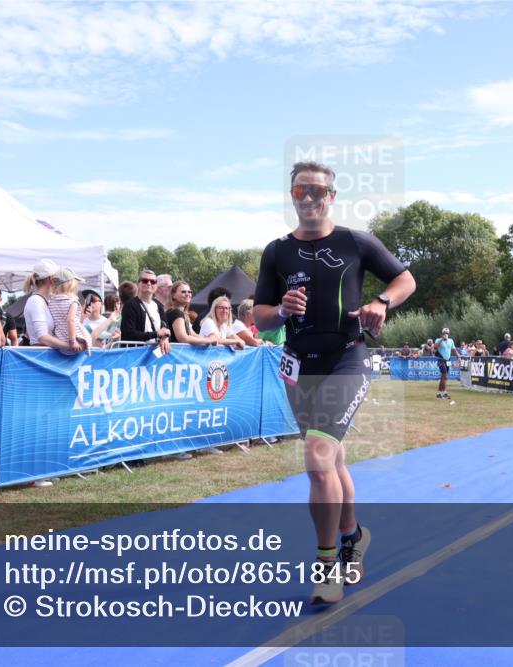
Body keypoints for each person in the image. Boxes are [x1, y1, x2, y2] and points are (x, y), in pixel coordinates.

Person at [253, 160, 416, 605]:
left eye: (318, 191)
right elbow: (259, 316)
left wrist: (382, 301)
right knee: (331, 461)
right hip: (298, 365)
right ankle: (352, 537)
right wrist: (282, 311)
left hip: (347, 358)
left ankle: (326, 568)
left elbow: (405, 278)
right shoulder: (276, 251)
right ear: (292, 197)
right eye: (301, 191)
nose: (309, 198)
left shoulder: (355, 242)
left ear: (332, 196)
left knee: (317, 457)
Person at [22, 258, 81, 353]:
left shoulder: (47, 300)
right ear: (51, 279)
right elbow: (43, 337)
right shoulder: (35, 301)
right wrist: (72, 346)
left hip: (48, 356)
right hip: (41, 356)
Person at [121, 269, 171, 355]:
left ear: (156, 286)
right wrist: (156, 334)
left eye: (153, 281)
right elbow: (129, 334)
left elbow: (166, 329)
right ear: (138, 284)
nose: (149, 283)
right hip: (135, 355)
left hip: (154, 355)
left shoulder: (159, 306)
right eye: (145, 281)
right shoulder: (130, 305)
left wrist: (165, 338)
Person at [48, 268, 92, 354]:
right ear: (71, 285)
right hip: (73, 339)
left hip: (59, 338)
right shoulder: (73, 302)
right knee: (89, 339)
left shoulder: (51, 301)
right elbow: (70, 320)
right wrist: (72, 341)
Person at [165, 280, 217, 345]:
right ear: (173, 295)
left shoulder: (182, 313)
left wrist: (208, 339)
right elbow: (183, 338)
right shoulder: (176, 313)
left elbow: (191, 334)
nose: (187, 294)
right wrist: (208, 340)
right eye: (183, 292)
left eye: (189, 292)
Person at [435, 327, 459, 400]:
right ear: (442, 334)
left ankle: (439, 393)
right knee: (445, 376)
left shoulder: (451, 341)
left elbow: (454, 350)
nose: (446, 335)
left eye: (447, 333)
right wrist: (442, 339)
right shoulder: (438, 340)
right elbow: (435, 347)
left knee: (443, 377)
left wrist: (459, 356)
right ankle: (444, 393)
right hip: (441, 360)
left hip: (448, 360)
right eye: (444, 333)